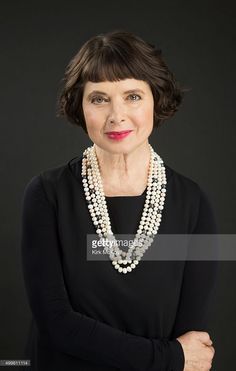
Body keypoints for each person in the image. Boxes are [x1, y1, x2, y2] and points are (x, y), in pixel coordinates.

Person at [20, 29, 218, 371]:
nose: (116, 115)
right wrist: (167, 358)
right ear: (79, 107)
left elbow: (194, 346)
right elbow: (56, 325)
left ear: (156, 99)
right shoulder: (45, 194)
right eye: (99, 98)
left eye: (133, 96)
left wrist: (177, 357)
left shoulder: (195, 203)